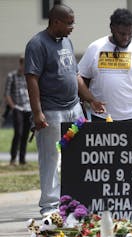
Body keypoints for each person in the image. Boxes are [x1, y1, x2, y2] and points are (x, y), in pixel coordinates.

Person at [24, 4, 105, 216]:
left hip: (74, 110)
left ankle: (74, 200)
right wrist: (37, 112)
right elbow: (31, 78)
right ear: (56, 22)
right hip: (51, 112)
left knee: (76, 154)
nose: (73, 27)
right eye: (69, 23)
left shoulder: (66, 41)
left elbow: (75, 75)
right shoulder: (37, 44)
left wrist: (90, 99)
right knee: (51, 158)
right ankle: (50, 206)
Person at [78, 8, 132, 122]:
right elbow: (82, 80)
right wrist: (84, 103)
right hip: (101, 117)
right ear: (112, 28)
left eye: (130, 34)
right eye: (122, 34)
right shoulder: (95, 48)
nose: (126, 38)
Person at [4, 56, 32, 165]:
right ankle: (13, 158)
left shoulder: (29, 77)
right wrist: (13, 107)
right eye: (24, 64)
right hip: (18, 108)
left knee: (25, 134)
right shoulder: (12, 76)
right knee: (18, 133)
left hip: (28, 108)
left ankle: (22, 159)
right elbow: (6, 94)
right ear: (20, 64)